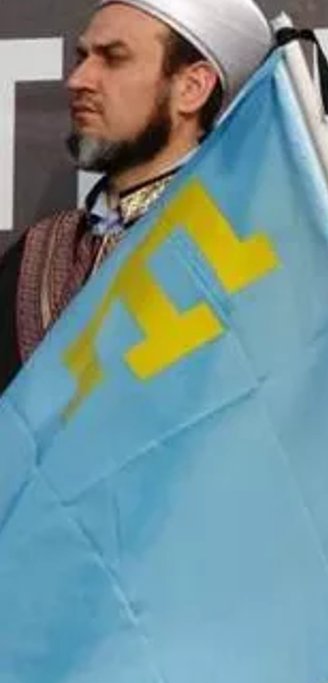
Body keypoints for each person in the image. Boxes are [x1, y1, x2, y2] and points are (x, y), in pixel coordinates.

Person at [0, 0, 271, 394]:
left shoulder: (249, 256)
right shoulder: (38, 251)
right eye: (82, 57)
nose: (78, 80)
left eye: (113, 58)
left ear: (191, 88)